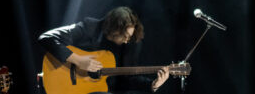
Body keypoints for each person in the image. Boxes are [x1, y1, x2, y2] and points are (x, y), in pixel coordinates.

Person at [37, 6, 169, 93]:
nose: (127, 40)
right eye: (125, 35)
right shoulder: (90, 28)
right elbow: (47, 37)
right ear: (115, 28)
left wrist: (153, 85)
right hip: (63, 84)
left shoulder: (128, 46)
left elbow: (127, 80)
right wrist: (78, 60)